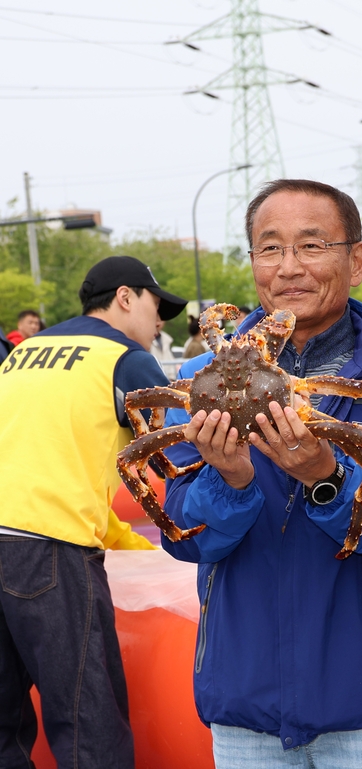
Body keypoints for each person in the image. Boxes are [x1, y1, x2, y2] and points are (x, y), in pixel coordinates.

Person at [159, 179, 362, 767]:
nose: (289, 268)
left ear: (357, 260)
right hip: (245, 702)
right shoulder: (201, 378)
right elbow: (185, 538)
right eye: (270, 248)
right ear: (252, 263)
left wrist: (328, 479)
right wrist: (230, 481)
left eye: (312, 246)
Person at [0, 255, 187, 769]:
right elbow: (171, 462)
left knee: (4, 729)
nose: (160, 322)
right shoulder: (125, 359)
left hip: (20, 530)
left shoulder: (24, 351)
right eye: (156, 306)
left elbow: (45, 461)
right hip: (47, 551)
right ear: (125, 298)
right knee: (88, 724)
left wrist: (127, 542)